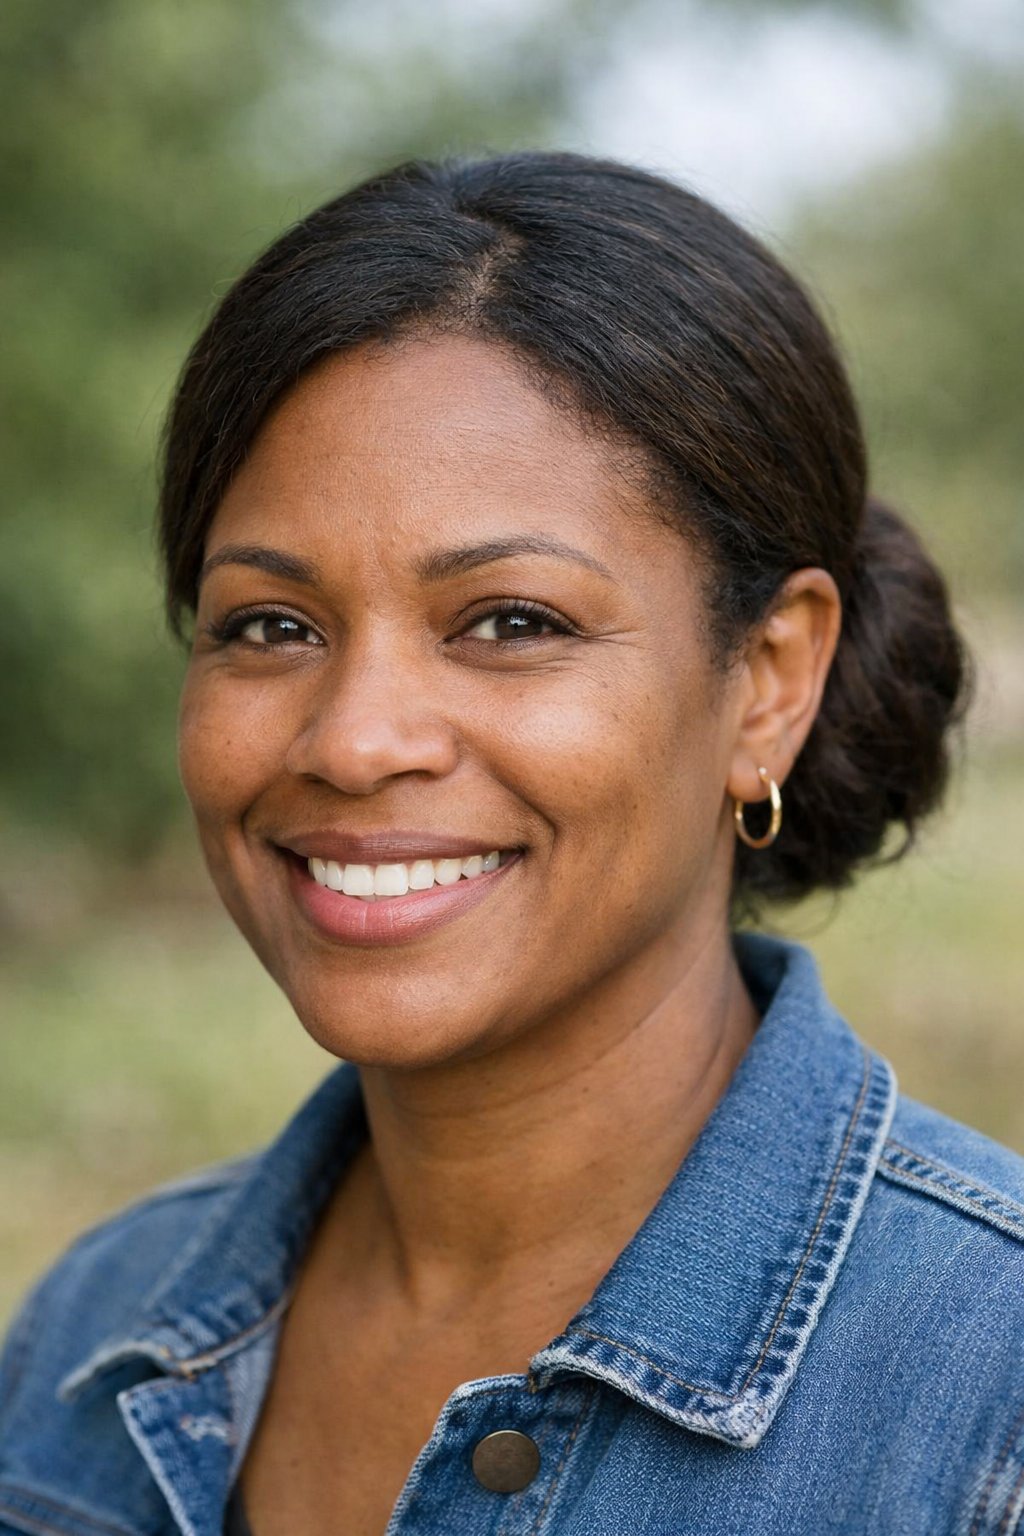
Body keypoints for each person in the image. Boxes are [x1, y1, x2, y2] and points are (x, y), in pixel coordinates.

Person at [1, 150, 1021, 1536]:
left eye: (512, 622)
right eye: (270, 626)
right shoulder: (89, 1341)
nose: (356, 741)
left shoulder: (990, 1396)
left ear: (771, 680)